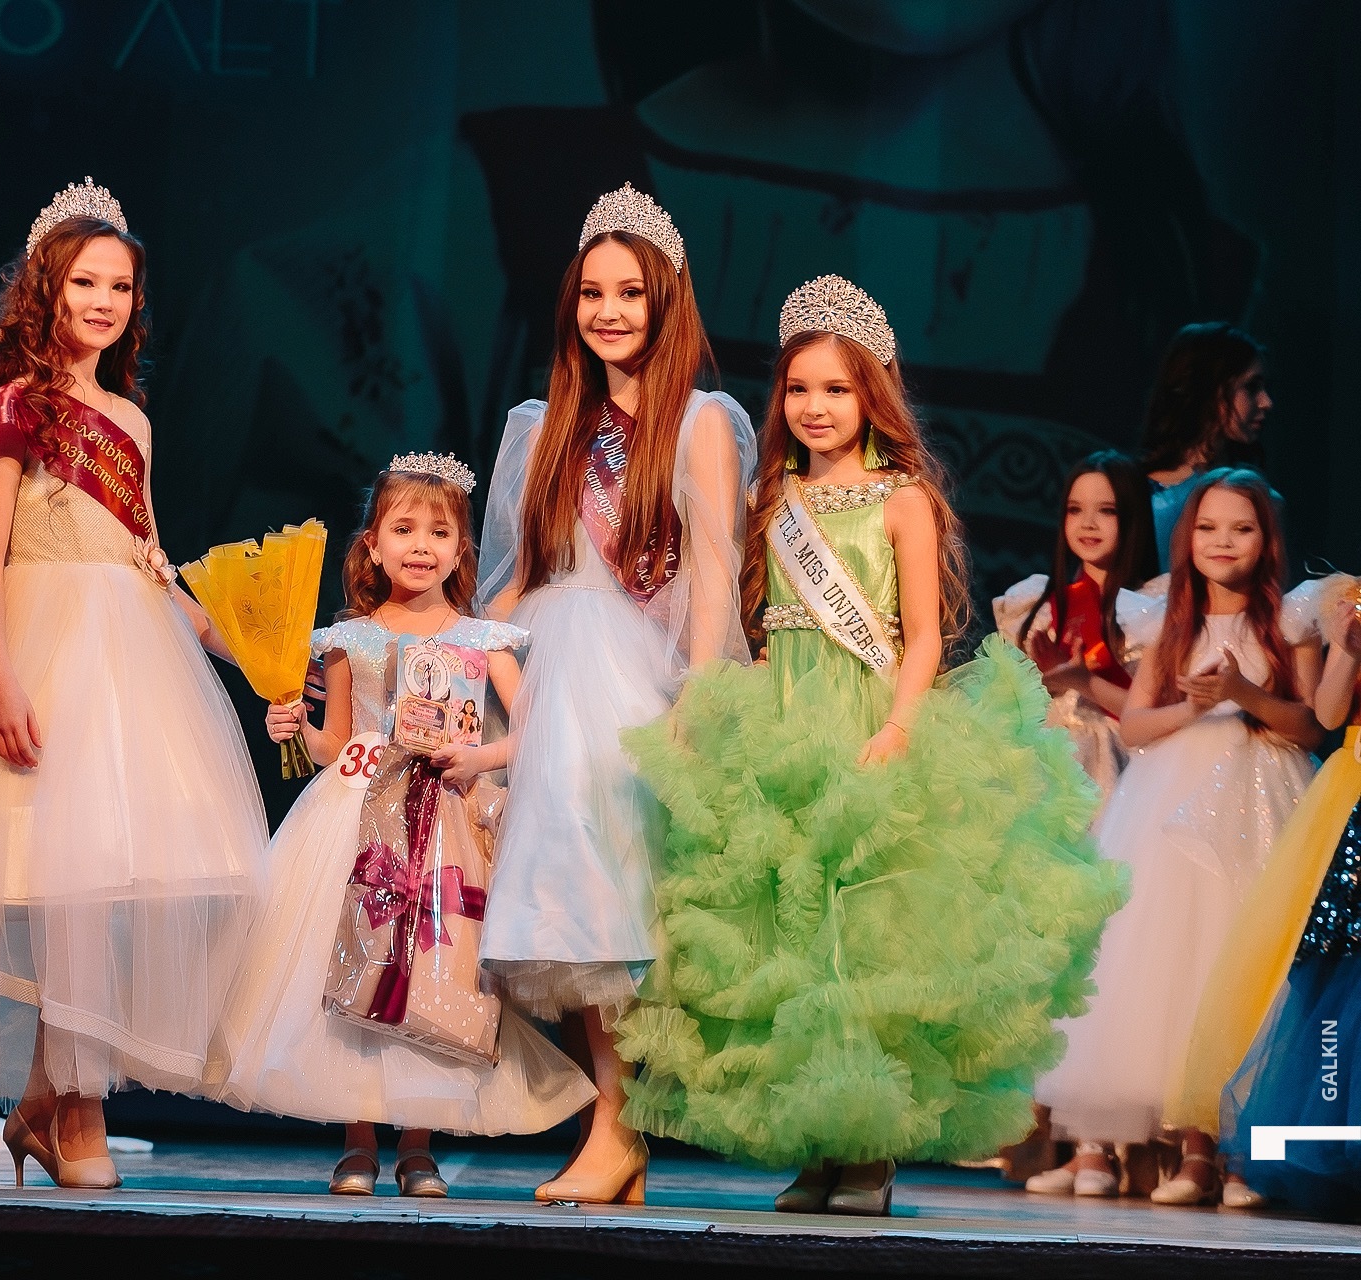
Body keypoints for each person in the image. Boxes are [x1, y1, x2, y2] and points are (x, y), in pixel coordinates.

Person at [616, 275, 1125, 1216]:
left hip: (871, 729)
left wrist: (897, 726)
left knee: (870, 942)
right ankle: (819, 1148)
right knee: (796, 942)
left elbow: (924, 636)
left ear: (873, 395)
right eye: (799, 389)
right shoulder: (773, 500)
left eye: (837, 389)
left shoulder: (903, 500)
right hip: (785, 733)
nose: (815, 407)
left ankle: (871, 1154)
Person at [0, 180, 269, 1189]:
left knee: (114, 886)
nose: (102, 300)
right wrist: (0, 680)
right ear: (45, 291)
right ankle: (76, 1108)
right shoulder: (17, 405)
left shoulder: (131, 419)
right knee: (69, 886)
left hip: (133, 657)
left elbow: (150, 561)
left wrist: (250, 650)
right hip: (46, 652)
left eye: (120, 286)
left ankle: (48, 1101)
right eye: (84, 281)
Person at [474, 184, 755, 1204]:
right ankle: (616, 1125)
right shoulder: (546, 423)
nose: (609, 311)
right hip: (557, 677)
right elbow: (514, 582)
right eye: (592, 293)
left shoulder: (700, 422)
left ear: (664, 299)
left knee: (629, 900)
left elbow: (715, 572)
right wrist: (490, 676)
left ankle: (623, 1127)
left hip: (644, 681)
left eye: (630, 292)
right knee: (579, 897)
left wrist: (698, 696)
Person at [218, 454, 595, 1195]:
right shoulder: (349, 638)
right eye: (404, 528)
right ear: (373, 544)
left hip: (445, 818)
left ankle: (418, 1141)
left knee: (433, 973)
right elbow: (332, 743)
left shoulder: (482, 639)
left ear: (460, 551)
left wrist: (478, 755)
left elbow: (536, 729)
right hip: (356, 811)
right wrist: (292, 726)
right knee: (352, 963)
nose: (421, 545)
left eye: (439, 532)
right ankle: (359, 1140)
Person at [1032, 471, 1320, 1206]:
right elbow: (1135, 726)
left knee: (1250, 968)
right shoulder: (1168, 623)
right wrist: (1196, 708)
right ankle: (1194, 1153)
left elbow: (1311, 723)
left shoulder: (1291, 621)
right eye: (1208, 528)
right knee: (1182, 963)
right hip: (1177, 802)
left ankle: (1245, 1155)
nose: (1223, 542)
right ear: (1186, 539)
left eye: (1241, 529)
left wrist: (1244, 695)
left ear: (1267, 540)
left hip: (1266, 802)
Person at [1172, 572, 1361, 1214]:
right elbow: (1328, 716)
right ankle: (1323, 1150)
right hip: (1352, 798)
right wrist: (1348, 649)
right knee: (1336, 976)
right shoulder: (1349, 601)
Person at [994, 451, 1160, 806]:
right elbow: (1006, 707)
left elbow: (1156, 714)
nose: (1088, 523)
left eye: (1106, 510)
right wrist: (1045, 680)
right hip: (1043, 767)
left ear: (1133, 517)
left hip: (1123, 772)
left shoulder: (1154, 611)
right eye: (1075, 510)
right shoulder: (1034, 605)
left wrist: (1083, 681)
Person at [1138, 324, 1274, 570]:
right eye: (1251, 387)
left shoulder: (1262, 497)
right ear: (1209, 388)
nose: (1266, 402)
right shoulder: (1137, 493)